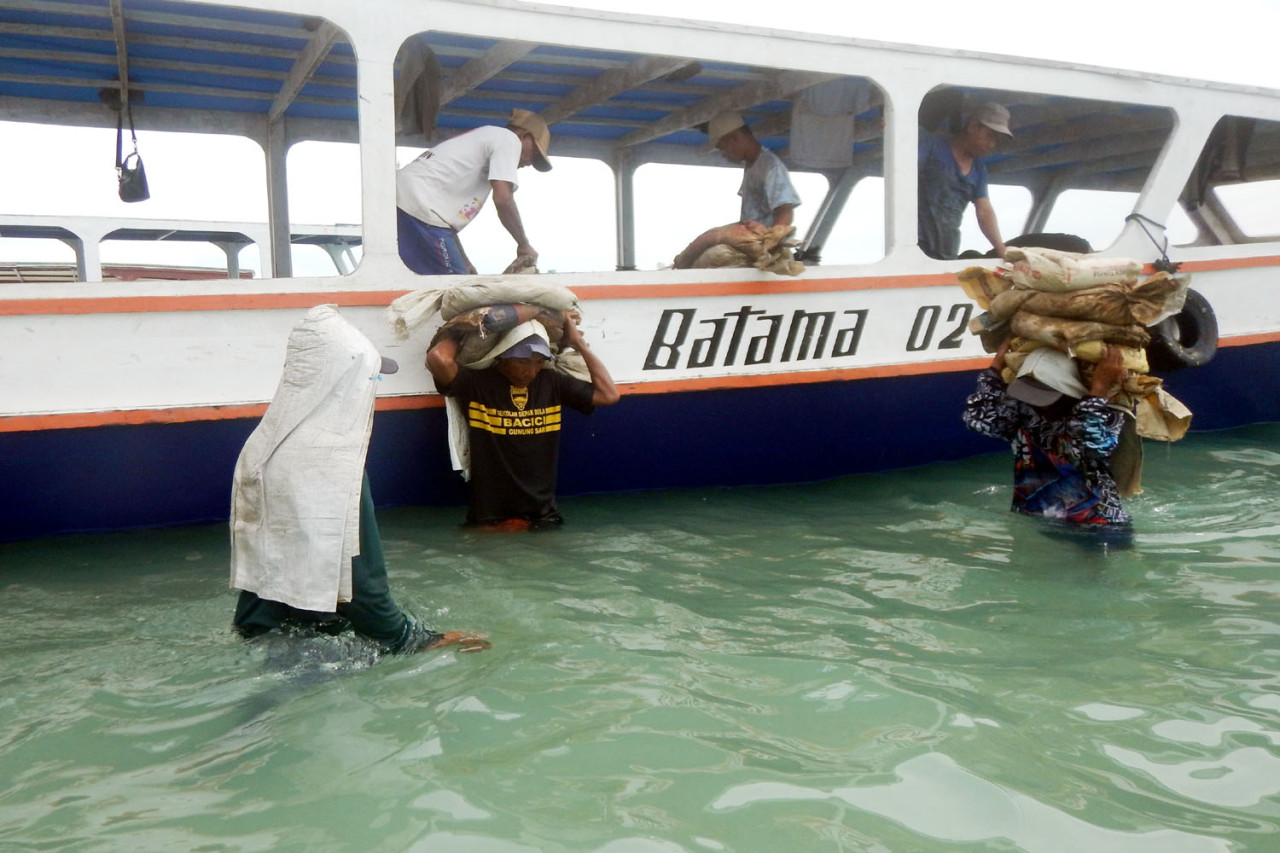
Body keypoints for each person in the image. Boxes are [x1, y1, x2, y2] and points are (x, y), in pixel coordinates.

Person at [230, 305, 488, 654]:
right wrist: (411, 639)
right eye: (372, 378)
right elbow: (359, 579)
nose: (374, 389)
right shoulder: (331, 461)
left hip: (257, 630)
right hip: (301, 650)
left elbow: (272, 563)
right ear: (346, 380)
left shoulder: (268, 443)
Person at [426, 306, 620, 529]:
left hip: (543, 517)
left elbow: (609, 395)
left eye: (538, 362)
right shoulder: (478, 383)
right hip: (490, 519)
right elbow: (438, 359)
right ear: (502, 357)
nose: (530, 371)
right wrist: (461, 329)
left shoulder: (552, 382)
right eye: (522, 362)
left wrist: (578, 343)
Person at [962, 341, 1131, 526]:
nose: (1039, 405)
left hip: (1095, 527)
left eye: (1047, 399)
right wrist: (994, 371)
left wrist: (1099, 390)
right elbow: (979, 422)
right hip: (1033, 519)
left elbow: (1093, 446)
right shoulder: (1024, 411)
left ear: (1069, 391)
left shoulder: (1106, 414)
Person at [396, 108, 552, 275]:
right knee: (456, 288)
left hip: (403, 200)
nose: (530, 163)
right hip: (419, 204)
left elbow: (444, 220)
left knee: (420, 279)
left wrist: (465, 262)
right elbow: (503, 200)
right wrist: (523, 244)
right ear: (524, 136)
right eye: (534, 154)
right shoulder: (508, 140)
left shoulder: (483, 141)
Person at [672, 111, 801, 268]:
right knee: (707, 242)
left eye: (722, 148)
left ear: (734, 138)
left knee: (717, 255)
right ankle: (678, 265)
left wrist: (769, 246)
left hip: (759, 246)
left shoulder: (770, 166)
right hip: (747, 241)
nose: (723, 155)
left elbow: (785, 211)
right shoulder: (752, 165)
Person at [918, 101, 1012, 260]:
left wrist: (1000, 248)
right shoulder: (930, 145)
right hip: (916, 245)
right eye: (989, 136)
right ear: (973, 126)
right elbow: (903, 175)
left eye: (996, 140)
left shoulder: (979, 169)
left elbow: (984, 210)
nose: (992, 145)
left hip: (947, 251)